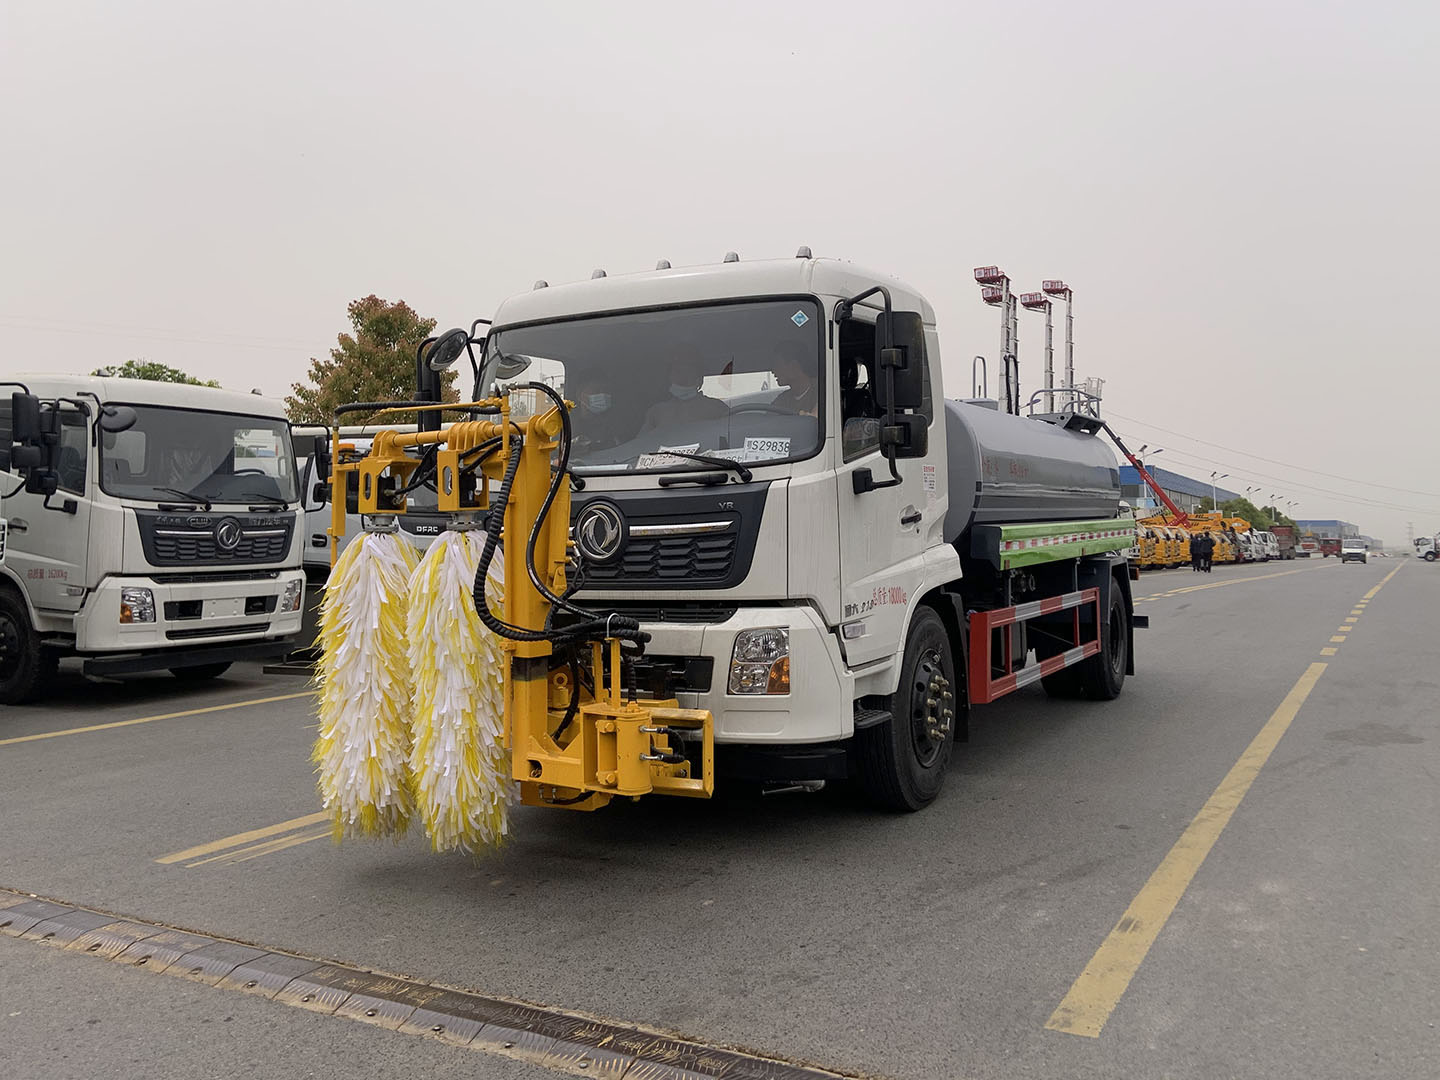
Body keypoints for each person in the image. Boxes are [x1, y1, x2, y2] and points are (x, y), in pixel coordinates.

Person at [641, 349, 728, 430]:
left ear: (699, 379)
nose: (682, 378)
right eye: (678, 371)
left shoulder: (717, 408)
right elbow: (642, 442)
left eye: (688, 372)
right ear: (669, 377)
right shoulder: (656, 412)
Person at [770, 339, 819, 417]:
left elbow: (817, 419)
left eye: (777, 365)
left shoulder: (822, 391)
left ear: (794, 366)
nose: (773, 371)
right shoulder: (782, 400)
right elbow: (768, 422)